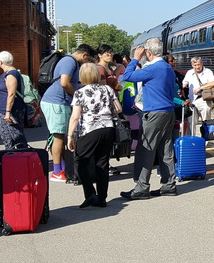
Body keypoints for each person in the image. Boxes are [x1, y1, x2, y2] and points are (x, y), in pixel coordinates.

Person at [119, 38, 177, 200]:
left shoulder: (153, 68)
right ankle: (169, 185)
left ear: (149, 52)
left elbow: (127, 76)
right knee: (166, 150)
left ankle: (141, 187)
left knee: (145, 150)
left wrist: (135, 59)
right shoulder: (167, 68)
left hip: (154, 113)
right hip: (168, 112)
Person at [66, 63, 120, 208]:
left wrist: (70, 136)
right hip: (108, 129)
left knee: (80, 160)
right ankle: (102, 198)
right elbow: (118, 108)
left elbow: (75, 117)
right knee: (102, 162)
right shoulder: (107, 89)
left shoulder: (80, 92)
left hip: (90, 130)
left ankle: (90, 193)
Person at [40, 43, 95, 182]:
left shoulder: (69, 61)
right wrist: (78, 95)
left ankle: (63, 168)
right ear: (84, 55)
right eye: (87, 60)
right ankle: (57, 171)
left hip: (58, 102)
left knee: (60, 135)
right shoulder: (69, 62)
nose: (86, 63)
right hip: (56, 102)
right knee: (58, 136)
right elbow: (65, 83)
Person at [0, 51, 27, 150]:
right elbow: (5, 92)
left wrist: (8, 112)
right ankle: (11, 157)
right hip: (5, 110)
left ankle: (21, 157)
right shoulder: (7, 74)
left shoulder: (11, 74)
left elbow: (11, 94)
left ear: (1, 62)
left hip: (12, 111)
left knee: (15, 136)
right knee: (6, 136)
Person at [182, 57, 214, 127]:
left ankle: (205, 137)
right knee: (191, 123)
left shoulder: (208, 72)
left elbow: (213, 83)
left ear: (202, 63)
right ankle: (192, 137)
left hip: (204, 100)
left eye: (199, 64)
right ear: (192, 65)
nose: (197, 67)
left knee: (206, 122)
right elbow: (184, 84)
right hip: (192, 100)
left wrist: (200, 88)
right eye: (195, 65)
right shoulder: (189, 73)